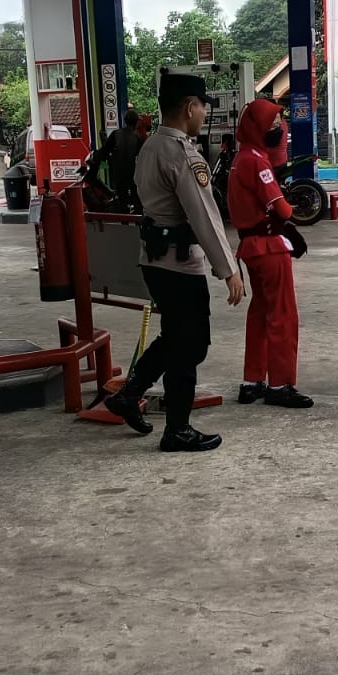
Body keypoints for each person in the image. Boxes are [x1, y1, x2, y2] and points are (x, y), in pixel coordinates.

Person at [105, 74, 244, 452]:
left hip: (154, 261)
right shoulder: (182, 154)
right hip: (179, 266)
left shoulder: (150, 146)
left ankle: (129, 394)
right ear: (189, 107)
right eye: (202, 107)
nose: (203, 114)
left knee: (178, 338)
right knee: (189, 346)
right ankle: (177, 429)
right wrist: (228, 269)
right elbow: (205, 216)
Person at [227, 98, 312, 410]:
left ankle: (252, 381)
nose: (278, 129)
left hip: (250, 246)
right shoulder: (257, 162)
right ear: (258, 128)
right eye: (273, 125)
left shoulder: (240, 159)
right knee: (282, 315)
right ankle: (280, 384)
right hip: (269, 246)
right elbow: (282, 209)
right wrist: (289, 207)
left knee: (260, 312)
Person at [87, 108, 143, 212]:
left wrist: (94, 159)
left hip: (119, 173)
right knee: (137, 200)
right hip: (134, 174)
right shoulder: (138, 137)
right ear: (136, 122)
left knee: (122, 200)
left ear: (125, 121)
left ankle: (123, 216)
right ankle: (137, 216)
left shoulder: (116, 134)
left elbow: (105, 150)